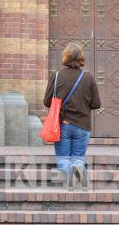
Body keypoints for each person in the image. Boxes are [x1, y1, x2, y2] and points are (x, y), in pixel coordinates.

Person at [43, 42, 101, 190]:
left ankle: (69, 179)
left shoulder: (56, 76)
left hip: (62, 125)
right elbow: (96, 104)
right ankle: (78, 170)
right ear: (81, 57)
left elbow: (46, 101)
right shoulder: (88, 78)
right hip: (82, 126)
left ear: (65, 57)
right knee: (78, 158)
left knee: (63, 158)